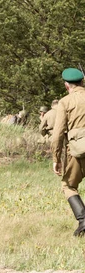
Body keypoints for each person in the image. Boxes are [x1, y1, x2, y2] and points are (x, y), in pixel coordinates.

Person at [52, 68, 85, 237]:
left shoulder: (65, 102)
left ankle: (83, 221)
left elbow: (57, 133)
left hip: (77, 151)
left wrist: (56, 158)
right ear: (82, 82)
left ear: (66, 86)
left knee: (68, 185)